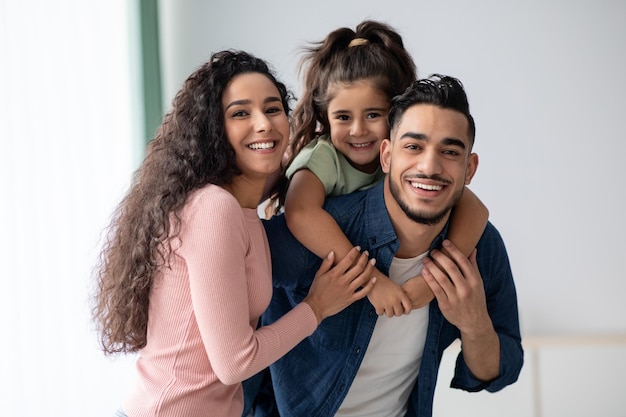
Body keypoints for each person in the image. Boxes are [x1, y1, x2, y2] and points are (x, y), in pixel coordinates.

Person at [90, 49, 377, 417]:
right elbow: (235, 363)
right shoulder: (214, 208)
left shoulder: (243, 210)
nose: (264, 124)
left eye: (273, 109)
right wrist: (317, 307)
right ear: (215, 129)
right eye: (241, 113)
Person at [249, 74, 523, 416]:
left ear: (469, 168)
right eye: (413, 146)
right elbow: (228, 267)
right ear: (386, 156)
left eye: (449, 151)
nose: (429, 166)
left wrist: (473, 323)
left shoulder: (480, 247)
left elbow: (500, 372)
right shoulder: (322, 234)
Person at [267, 20, 489, 317]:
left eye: (373, 114)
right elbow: (300, 213)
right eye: (343, 117)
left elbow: (476, 210)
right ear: (326, 117)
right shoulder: (323, 157)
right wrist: (372, 282)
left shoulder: (405, 159)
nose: (358, 130)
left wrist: (431, 280)